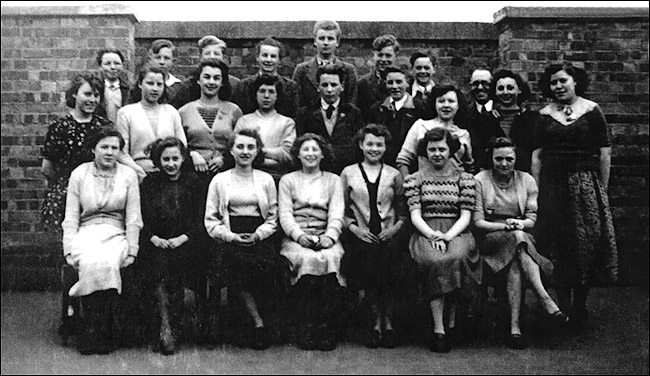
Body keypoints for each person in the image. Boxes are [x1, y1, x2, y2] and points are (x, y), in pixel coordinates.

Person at [531, 62, 618, 329]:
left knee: (585, 244)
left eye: (563, 81)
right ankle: (562, 306)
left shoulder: (592, 111)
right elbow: (537, 154)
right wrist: (535, 190)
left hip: (584, 184)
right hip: (552, 185)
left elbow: (604, 151)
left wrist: (600, 188)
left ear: (575, 82)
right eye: (554, 83)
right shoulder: (544, 115)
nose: (558, 87)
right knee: (558, 243)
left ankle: (580, 305)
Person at [473, 137, 568, 350]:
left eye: (509, 159)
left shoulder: (526, 181)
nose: (504, 164)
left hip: (522, 236)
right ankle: (544, 298)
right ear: (491, 158)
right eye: (499, 159)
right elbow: (478, 222)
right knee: (518, 239)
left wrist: (519, 224)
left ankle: (514, 328)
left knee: (516, 260)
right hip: (491, 238)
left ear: (516, 158)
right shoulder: (480, 180)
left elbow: (531, 219)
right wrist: (506, 227)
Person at [61, 129, 142, 355]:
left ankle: (103, 329)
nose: (109, 152)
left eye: (114, 148)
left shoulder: (128, 175)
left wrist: (132, 250)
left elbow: (134, 217)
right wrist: (68, 248)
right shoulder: (80, 173)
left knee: (108, 261)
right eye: (104, 147)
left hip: (116, 233)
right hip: (86, 232)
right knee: (88, 260)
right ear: (93, 149)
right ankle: (90, 329)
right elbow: (71, 217)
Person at [403, 127, 479, 353]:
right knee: (436, 260)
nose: (437, 153)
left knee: (455, 255)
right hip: (426, 230)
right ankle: (439, 328)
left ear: (451, 151)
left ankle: (453, 321)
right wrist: (432, 234)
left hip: (456, 231)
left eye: (442, 149)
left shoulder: (464, 179)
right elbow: (415, 215)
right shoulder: (415, 179)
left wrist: (448, 235)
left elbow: (466, 215)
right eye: (432, 149)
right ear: (425, 151)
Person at [204, 128, 279, 350]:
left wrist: (258, 234)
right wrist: (230, 237)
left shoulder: (265, 179)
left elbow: (273, 218)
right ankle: (257, 323)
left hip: (259, 235)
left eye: (250, 147)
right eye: (240, 147)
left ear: (257, 151)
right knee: (235, 263)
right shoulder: (220, 180)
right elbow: (211, 219)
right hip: (229, 234)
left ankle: (259, 322)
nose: (245, 152)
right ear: (231, 151)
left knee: (268, 264)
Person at [340, 124, 407, 348]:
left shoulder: (394, 174)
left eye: (379, 145)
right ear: (361, 145)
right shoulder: (348, 172)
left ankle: (388, 322)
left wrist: (394, 229)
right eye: (369, 144)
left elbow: (402, 210)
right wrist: (355, 229)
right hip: (360, 234)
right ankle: (374, 324)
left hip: (388, 234)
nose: (374, 149)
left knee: (388, 266)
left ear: (386, 147)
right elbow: (341, 210)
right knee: (369, 266)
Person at [278, 133, 346, 351]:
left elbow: (337, 212)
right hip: (296, 237)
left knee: (330, 258)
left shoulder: (333, 180)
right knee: (306, 259)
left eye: (315, 149)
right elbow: (285, 214)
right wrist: (299, 236)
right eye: (305, 149)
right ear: (298, 154)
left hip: (325, 234)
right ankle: (306, 326)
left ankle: (326, 327)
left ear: (323, 154)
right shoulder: (288, 180)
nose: (310, 154)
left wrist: (330, 236)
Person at [139, 137, 206, 355]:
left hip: (187, 243)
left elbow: (200, 220)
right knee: (158, 266)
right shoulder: (149, 184)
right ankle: (165, 327)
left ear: (183, 158)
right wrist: (153, 238)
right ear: (158, 161)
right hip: (157, 242)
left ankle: (174, 327)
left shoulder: (193, 183)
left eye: (175, 159)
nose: (170, 164)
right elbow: (142, 218)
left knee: (177, 267)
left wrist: (183, 238)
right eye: (165, 159)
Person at [41, 72, 114, 230]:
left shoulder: (104, 127)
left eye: (96, 95)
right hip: (65, 195)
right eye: (87, 94)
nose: (92, 100)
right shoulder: (59, 127)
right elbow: (47, 168)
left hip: (98, 194)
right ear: (74, 94)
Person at [178, 59, 243, 184]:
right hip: (193, 176)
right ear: (198, 80)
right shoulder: (184, 112)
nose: (211, 82)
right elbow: (178, 144)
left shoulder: (234, 110)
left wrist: (225, 159)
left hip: (226, 174)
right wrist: (191, 155)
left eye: (216, 78)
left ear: (222, 82)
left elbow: (241, 141)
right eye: (207, 77)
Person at [116, 65, 186, 180]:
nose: (155, 89)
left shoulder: (171, 111)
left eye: (159, 84)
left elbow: (182, 145)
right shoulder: (126, 113)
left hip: (169, 174)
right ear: (140, 84)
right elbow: (122, 151)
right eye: (150, 83)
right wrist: (137, 170)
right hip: (138, 174)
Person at [294, 63, 363, 175]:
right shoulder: (305, 113)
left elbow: (357, 148)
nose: (329, 90)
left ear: (342, 86)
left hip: (345, 171)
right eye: (325, 85)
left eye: (334, 85)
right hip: (314, 172)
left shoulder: (353, 113)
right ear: (317, 87)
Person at [396, 84, 473, 177]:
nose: (446, 105)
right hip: (426, 187)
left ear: (458, 105)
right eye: (441, 101)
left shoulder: (463, 134)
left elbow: (469, 166)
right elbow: (403, 160)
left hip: (454, 188)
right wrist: (408, 184)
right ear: (434, 104)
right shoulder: (420, 126)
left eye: (451, 101)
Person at [234, 74, 296, 183]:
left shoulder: (287, 123)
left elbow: (287, 155)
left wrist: (257, 151)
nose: (266, 96)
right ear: (255, 94)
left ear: (277, 96)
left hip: (277, 176)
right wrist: (273, 155)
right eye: (262, 91)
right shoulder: (244, 121)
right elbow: (236, 150)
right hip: (247, 175)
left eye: (271, 92)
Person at [472, 69, 537, 172]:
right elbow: (479, 153)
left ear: (519, 90)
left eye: (510, 88)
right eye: (501, 88)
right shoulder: (485, 119)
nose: (505, 92)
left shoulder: (531, 119)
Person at [368, 66, 426, 166]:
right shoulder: (377, 109)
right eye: (390, 82)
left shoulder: (419, 107)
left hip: (410, 164)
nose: (394, 87)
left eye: (399, 82)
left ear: (407, 83)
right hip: (383, 163)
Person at [292, 20, 358, 108]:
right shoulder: (302, 70)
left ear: (337, 42)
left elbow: (351, 103)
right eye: (321, 38)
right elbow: (297, 103)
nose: (325, 43)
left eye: (330, 39)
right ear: (315, 41)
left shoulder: (348, 70)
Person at [231, 38, 299, 118]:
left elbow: (294, 115)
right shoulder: (243, 86)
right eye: (265, 55)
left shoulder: (290, 87)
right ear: (257, 57)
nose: (268, 60)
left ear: (279, 60)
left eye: (273, 56)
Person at [171, 35, 241, 109]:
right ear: (200, 57)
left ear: (223, 57)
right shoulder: (188, 85)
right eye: (207, 53)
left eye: (216, 54)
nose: (212, 57)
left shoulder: (235, 84)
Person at [460, 68, 500, 171]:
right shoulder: (464, 113)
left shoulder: (501, 110)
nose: (480, 87)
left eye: (484, 83)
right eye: (475, 84)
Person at [357, 34, 400, 122]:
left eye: (388, 56)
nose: (383, 60)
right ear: (374, 56)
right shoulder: (363, 83)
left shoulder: (404, 83)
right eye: (380, 55)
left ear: (396, 56)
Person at [130, 39, 184, 105]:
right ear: (150, 59)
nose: (162, 62)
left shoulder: (179, 87)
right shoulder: (139, 86)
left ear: (173, 61)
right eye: (158, 57)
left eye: (166, 58)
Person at [94, 48, 130, 124]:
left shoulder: (129, 89)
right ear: (100, 67)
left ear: (122, 66)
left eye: (117, 63)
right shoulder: (95, 89)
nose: (113, 67)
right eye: (107, 64)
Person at [408, 50, 437, 119]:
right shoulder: (406, 93)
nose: (423, 71)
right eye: (418, 68)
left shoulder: (441, 93)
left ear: (434, 69)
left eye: (426, 68)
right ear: (411, 70)